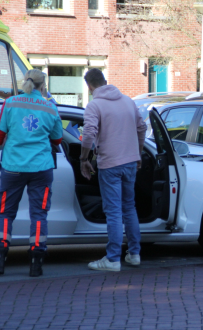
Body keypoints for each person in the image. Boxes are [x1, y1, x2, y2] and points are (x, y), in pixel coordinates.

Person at [0, 69, 63, 277]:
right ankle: (36, 262)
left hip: (12, 167)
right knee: (39, 214)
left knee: (5, 213)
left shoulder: (11, 103)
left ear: (25, 82)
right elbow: (58, 139)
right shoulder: (50, 107)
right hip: (41, 168)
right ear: (43, 86)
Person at [81, 69, 146, 272]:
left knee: (114, 212)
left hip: (109, 163)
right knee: (129, 207)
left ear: (89, 86)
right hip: (130, 162)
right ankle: (134, 254)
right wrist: (138, 152)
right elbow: (142, 127)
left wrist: (84, 158)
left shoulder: (94, 105)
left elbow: (89, 133)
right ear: (105, 81)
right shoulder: (127, 101)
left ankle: (112, 259)